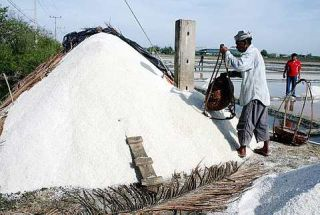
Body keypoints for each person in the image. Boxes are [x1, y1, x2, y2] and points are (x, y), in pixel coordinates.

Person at [220, 30, 271, 158]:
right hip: (261, 95)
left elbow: (240, 65)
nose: (237, 46)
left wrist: (227, 53)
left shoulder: (251, 53)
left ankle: (242, 149)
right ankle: (266, 148)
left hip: (254, 95)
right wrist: (230, 74)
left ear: (245, 42)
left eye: (238, 44)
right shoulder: (254, 53)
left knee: (245, 122)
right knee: (261, 123)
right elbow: (245, 71)